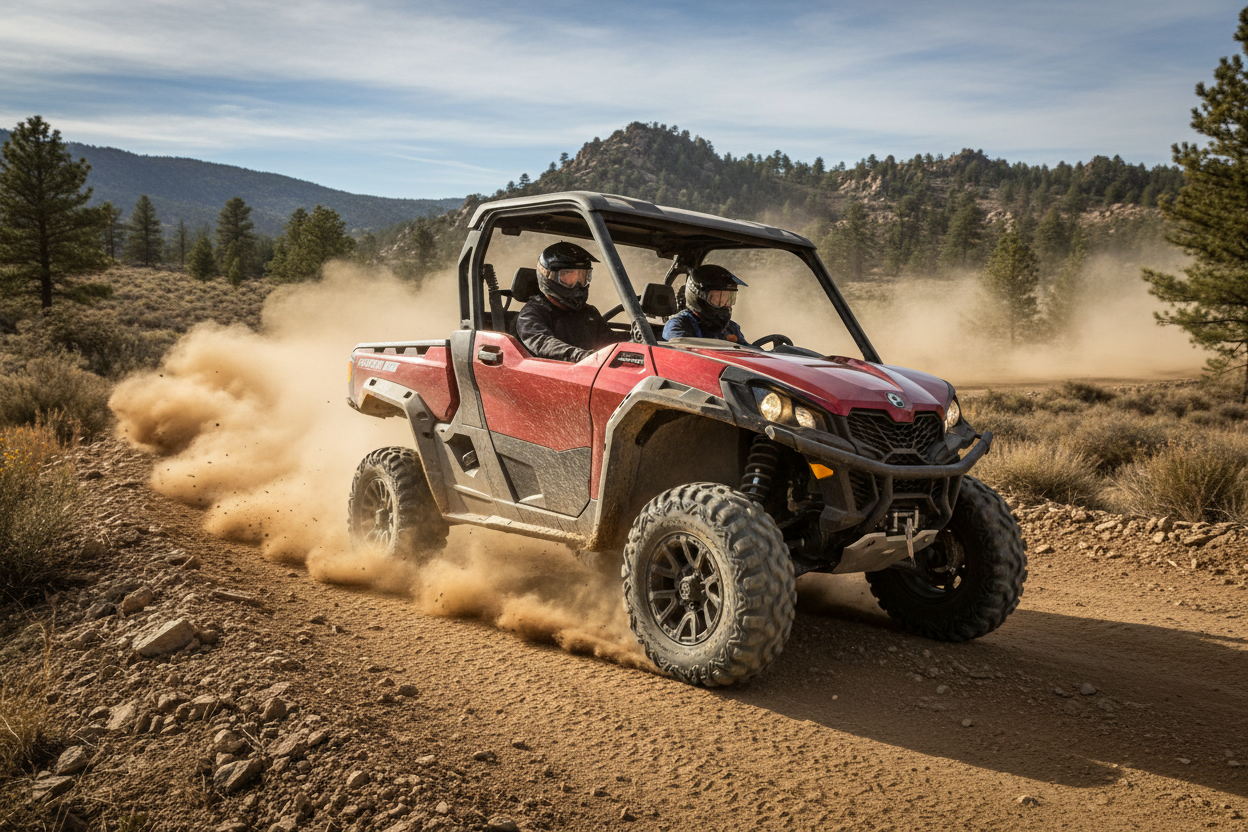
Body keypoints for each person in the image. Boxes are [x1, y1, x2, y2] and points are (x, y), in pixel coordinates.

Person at [515, 241, 620, 362]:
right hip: (550, 372)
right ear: (549, 276)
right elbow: (543, 344)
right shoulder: (531, 314)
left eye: (582, 277)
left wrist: (633, 339)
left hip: (591, 370)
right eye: (569, 276)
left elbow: (609, 342)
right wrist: (585, 357)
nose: (577, 284)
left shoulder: (589, 313)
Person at [662, 264, 748, 343]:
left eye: (726, 297)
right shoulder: (678, 325)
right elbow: (681, 350)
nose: (724, 303)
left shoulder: (731, 328)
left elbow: (747, 350)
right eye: (717, 296)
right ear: (699, 298)